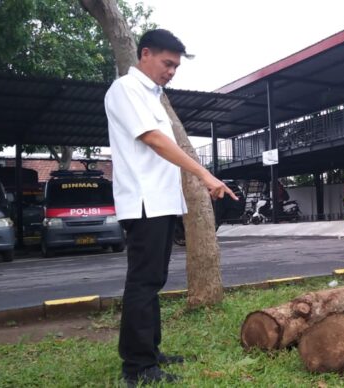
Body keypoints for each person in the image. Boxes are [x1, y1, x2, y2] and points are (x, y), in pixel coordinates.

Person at [104, 29, 237, 386]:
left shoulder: (152, 95)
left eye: (176, 66)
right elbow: (154, 140)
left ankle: (150, 352)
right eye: (167, 63)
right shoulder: (126, 89)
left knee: (154, 280)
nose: (171, 72)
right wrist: (204, 175)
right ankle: (137, 366)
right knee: (143, 281)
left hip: (161, 202)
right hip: (144, 202)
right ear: (145, 54)